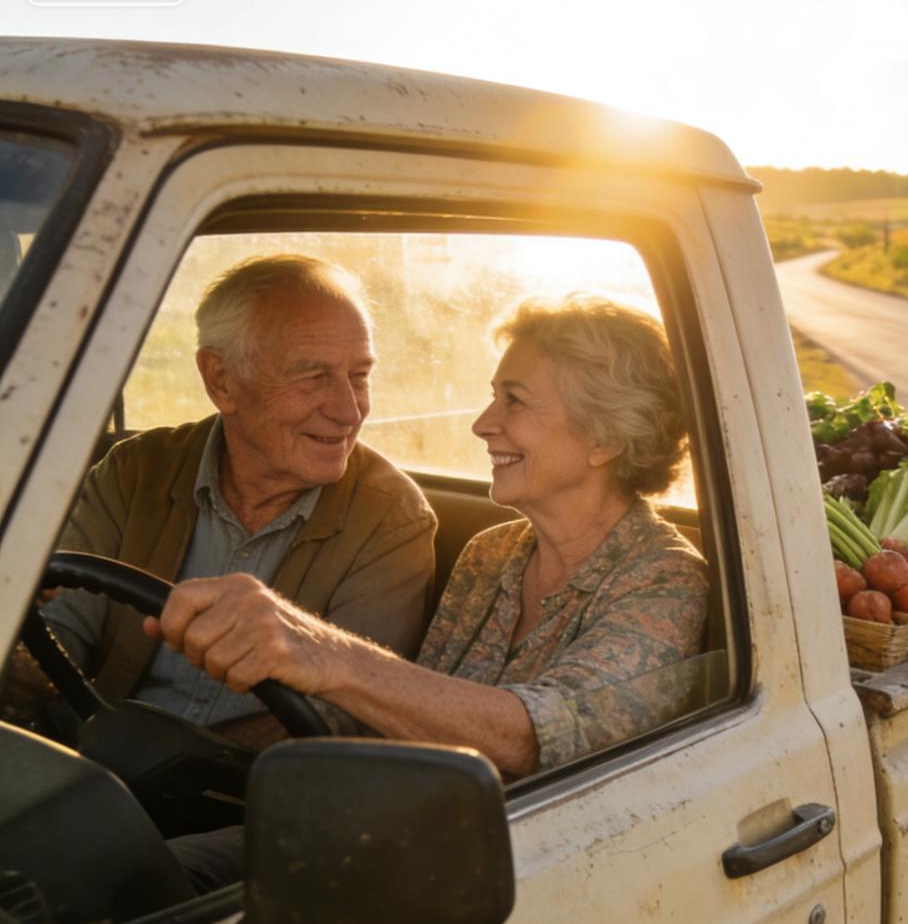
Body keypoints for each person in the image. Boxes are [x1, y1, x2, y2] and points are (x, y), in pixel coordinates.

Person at [149, 297, 709, 785]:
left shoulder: (664, 577)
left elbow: (537, 738)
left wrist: (323, 653)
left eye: (514, 400)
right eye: (493, 397)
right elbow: (409, 724)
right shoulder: (492, 553)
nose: (482, 423)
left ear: (605, 437)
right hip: (401, 819)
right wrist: (201, 753)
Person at [14, 254, 437, 746]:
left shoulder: (391, 520)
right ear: (221, 380)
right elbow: (55, 639)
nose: (349, 410)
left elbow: (344, 717)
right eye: (313, 376)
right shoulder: (134, 471)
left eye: (360, 375)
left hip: (254, 784)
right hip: (91, 761)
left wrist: (175, 758)